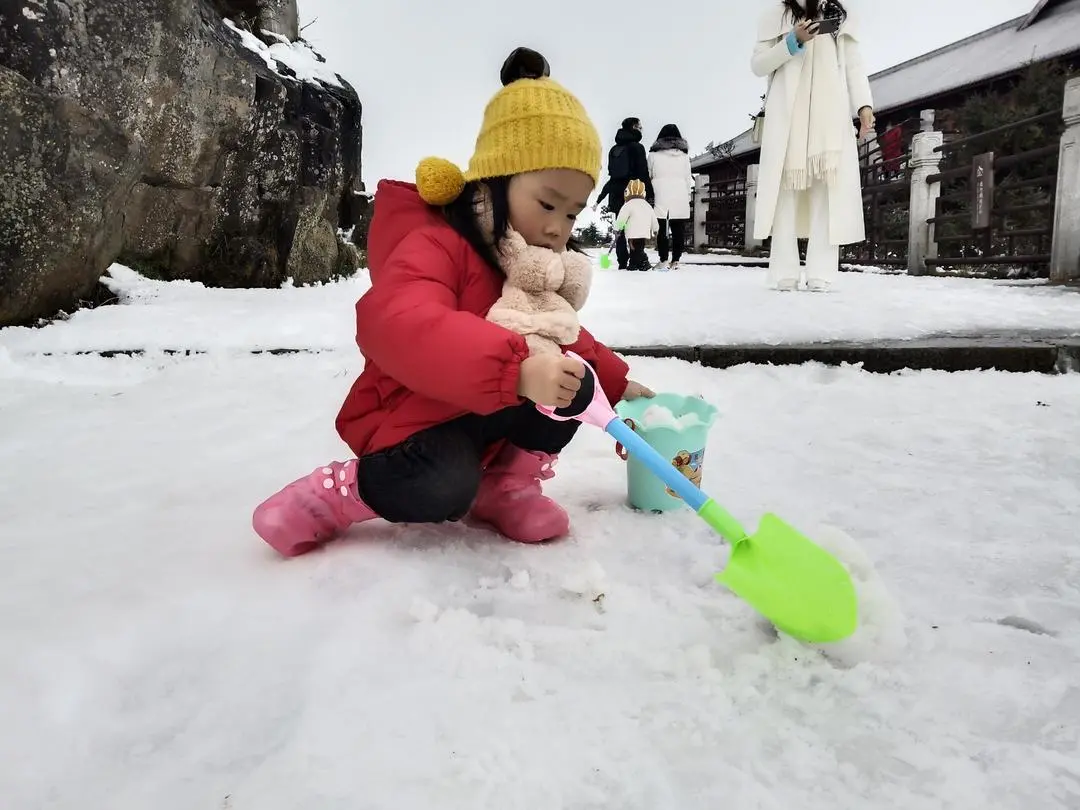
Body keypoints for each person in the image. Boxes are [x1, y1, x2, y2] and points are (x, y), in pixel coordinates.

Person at [251, 47, 654, 558]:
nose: (558, 227)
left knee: (573, 381)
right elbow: (397, 322)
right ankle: (340, 493)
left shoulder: (528, 264)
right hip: (413, 416)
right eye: (547, 203)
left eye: (572, 214)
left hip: (486, 410)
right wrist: (517, 371)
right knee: (443, 483)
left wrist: (617, 388)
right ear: (498, 181)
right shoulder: (437, 243)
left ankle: (506, 487)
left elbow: (566, 334)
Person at [751, 0, 875, 292]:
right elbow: (758, 65)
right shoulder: (776, 15)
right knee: (785, 193)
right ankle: (785, 272)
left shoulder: (838, 15)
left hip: (829, 117)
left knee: (826, 190)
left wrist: (864, 105)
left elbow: (854, 64)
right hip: (788, 115)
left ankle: (821, 272)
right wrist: (793, 41)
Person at [596, 117, 654, 270]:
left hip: (616, 193)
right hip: (632, 193)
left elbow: (611, 173)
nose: (641, 128)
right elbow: (643, 172)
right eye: (640, 126)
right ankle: (637, 260)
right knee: (636, 225)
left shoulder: (614, 149)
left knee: (620, 225)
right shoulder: (637, 147)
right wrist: (650, 193)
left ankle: (622, 260)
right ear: (634, 127)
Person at [648, 123, 695, 269]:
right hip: (680, 193)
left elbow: (649, 174)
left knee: (662, 229)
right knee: (678, 230)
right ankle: (676, 260)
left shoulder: (653, 155)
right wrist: (687, 196)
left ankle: (663, 260)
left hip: (660, 193)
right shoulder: (684, 156)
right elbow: (688, 178)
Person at [616, 179, 659, 271]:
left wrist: (618, 228)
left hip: (632, 233)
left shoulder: (628, 205)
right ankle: (635, 263)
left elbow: (622, 218)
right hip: (643, 232)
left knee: (635, 249)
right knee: (638, 248)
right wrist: (655, 229)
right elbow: (653, 218)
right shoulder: (647, 205)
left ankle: (642, 262)